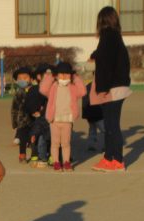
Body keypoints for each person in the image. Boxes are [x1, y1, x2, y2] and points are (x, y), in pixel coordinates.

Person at [91, 5, 132, 172]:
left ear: (101, 21)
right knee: (109, 125)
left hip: (112, 88)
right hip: (119, 86)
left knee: (112, 125)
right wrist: (95, 55)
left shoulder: (107, 37)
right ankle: (108, 158)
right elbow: (108, 57)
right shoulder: (115, 37)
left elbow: (106, 65)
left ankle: (118, 160)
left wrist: (103, 88)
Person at [39, 62, 87, 171]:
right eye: (61, 74)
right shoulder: (53, 87)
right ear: (56, 75)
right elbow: (43, 89)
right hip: (54, 120)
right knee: (55, 143)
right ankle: (56, 162)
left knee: (66, 143)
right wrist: (51, 76)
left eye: (67, 74)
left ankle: (66, 162)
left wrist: (75, 77)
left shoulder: (72, 87)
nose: (64, 76)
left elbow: (83, 91)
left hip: (67, 120)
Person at [23, 63, 52, 167]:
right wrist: (34, 111)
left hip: (51, 118)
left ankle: (53, 156)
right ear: (39, 76)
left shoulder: (54, 88)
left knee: (52, 137)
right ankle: (39, 156)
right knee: (39, 136)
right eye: (47, 75)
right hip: (38, 119)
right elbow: (28, 104)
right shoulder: (34, 89)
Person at [10, 67, 34, 160]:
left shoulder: (34, 91)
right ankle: (22, 154)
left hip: (34, 119)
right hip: (22, 119)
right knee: (22, 137)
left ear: (31, 79)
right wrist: (14, 122)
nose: (22, 80)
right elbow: (14, 108)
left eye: (25, 78)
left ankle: (34, 154)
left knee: (34, 136)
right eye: (19, 78)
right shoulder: (18, 93)